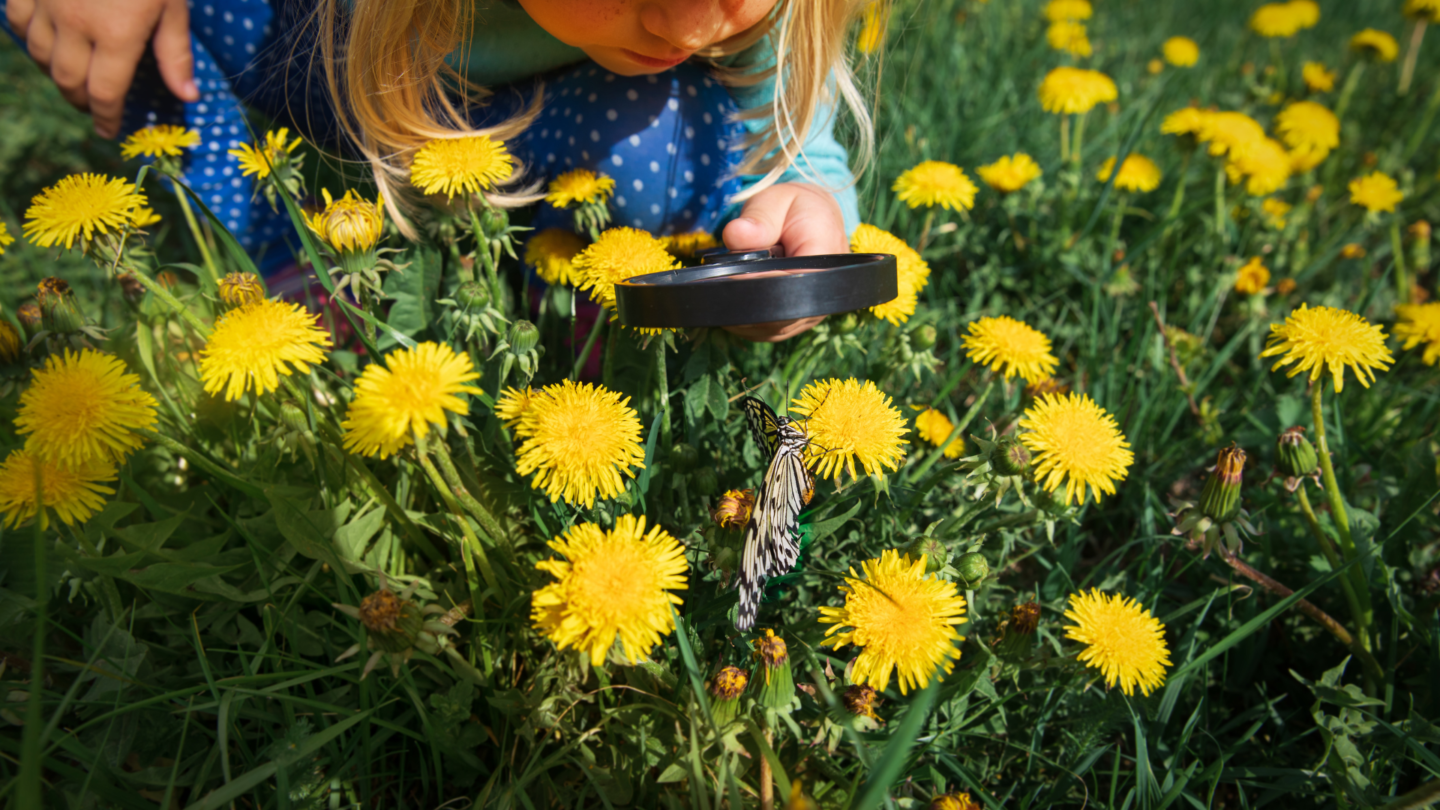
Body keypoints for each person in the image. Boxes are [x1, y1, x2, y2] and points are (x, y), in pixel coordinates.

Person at [3, 0, 877, 341]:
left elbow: (785, 139)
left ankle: (554, 289)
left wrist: (795, 198)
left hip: (559, 123)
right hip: (320, 48)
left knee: (674, 145)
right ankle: (279, 263)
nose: (694, 18)